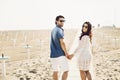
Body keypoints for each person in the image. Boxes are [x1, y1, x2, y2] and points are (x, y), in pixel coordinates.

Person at [50, 15, 70, 80]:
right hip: (60, 54)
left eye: (63, 21)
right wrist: (66, 53)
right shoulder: (59, 30)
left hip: (53, 55)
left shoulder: (53, 30)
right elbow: (62, 43)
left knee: (55, 71)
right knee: (66, 70)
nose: (62, 22)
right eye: (61, 21)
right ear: (56, 21)